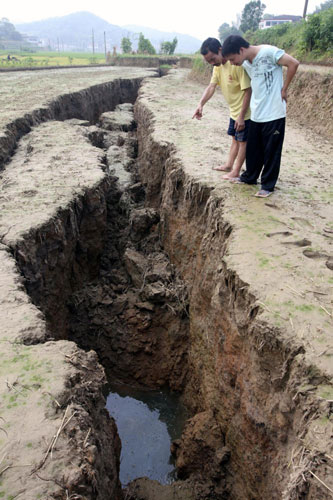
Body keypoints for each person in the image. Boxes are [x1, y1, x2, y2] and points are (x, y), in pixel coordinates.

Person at [222, 35, 299, 197]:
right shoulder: (245, 63)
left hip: (274, 113)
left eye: (232, 59)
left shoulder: (269, 52)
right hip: (257, 113)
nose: (232, 63)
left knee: (271, 152)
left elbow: (293, 63)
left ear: (241, 50)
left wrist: (284, 89)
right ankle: (249, 177)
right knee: (253, 150)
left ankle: (267, 186)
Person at [192, 37, 251, 180]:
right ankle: (229, 165)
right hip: (234, 111)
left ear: (220, 50)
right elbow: (211, 86)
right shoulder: (217, 68)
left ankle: (236, 171)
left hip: (245, 112)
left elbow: (248, 91)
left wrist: (242, 116)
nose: (213, 63)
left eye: (213, 59)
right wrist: (201, 104)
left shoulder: (236, 64)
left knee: (243, 142)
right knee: (235, 139)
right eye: (209, 62)